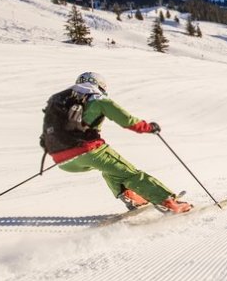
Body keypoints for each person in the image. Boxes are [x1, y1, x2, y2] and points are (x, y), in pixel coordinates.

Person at [40, 72, 192, 213]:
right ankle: (168, 203)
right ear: (100, 85)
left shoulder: (58, 100)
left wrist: (62, 152)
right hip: (87, 150)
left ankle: (130, 197)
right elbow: (126, 120)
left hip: (62, 161)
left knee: (110, 168)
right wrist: (149, 127)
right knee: (130, 173)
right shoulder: (95, 98)